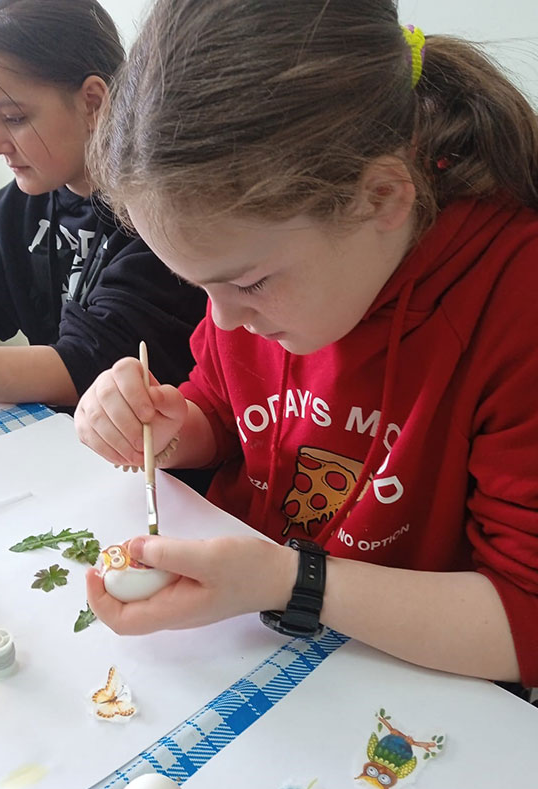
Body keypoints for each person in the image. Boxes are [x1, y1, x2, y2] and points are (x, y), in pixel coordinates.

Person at [74, 0, 538, 687]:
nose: (222, 321)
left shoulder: (513, 297)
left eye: (250, 283)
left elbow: (525, 615)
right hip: (255, 637)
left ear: (381, 198)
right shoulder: (269, 278)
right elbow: (228, 413)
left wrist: (292, 582)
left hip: (405, 679)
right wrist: (170, 429)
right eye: (200, 287)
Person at [0, 0, 206, 407]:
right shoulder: (14, 210)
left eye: (13, 118)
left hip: (153, 438)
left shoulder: (158, 216)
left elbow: (88, 366)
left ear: (92, 102)